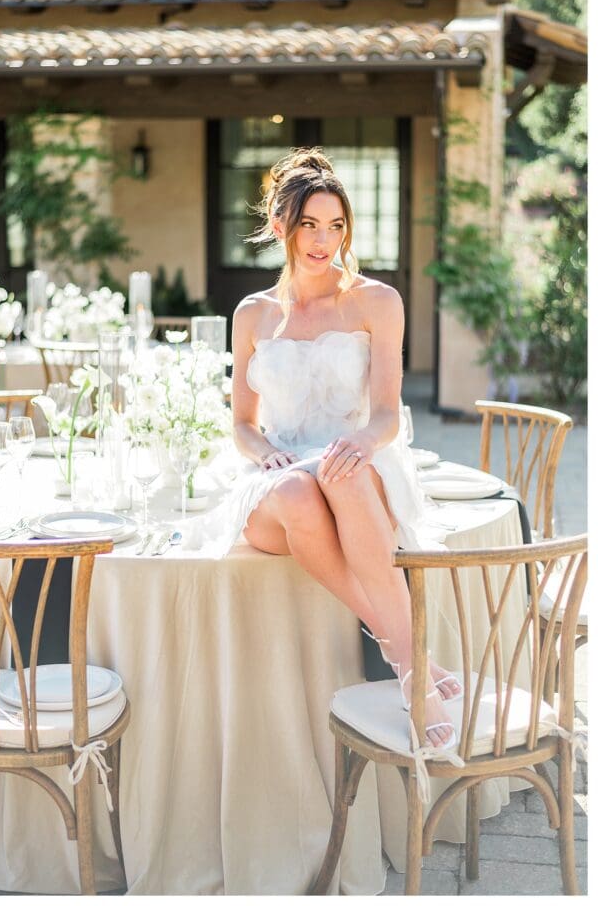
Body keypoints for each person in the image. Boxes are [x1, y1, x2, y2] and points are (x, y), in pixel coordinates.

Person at [191, 148, 461, 749]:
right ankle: (411, 657)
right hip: (278, 486)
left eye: (335, 225)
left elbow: (388, 414)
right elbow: (241, 422)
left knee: (339, 473)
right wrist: (263, 453)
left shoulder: (377, 301)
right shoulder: (253, 314)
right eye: (310, 224)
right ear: (282, 226)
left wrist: (363, 440)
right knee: (294, 488)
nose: (323, 240)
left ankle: (408, 671)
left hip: (352, 468)